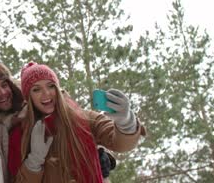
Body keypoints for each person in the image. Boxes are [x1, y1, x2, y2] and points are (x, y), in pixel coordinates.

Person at [0, 61, 117, 182]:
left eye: (4, 85)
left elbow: (76, 126)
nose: (2, 93)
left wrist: (99, 152)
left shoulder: (39, 101)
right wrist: (34, 160)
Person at [8, 62, 146, 183]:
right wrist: (34, 161)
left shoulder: (84, 118)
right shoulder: (20, 134)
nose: (46, 94)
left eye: (50, 86)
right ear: (28, 96)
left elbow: (118, 143)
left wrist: (126, 123)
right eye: (36, 89)